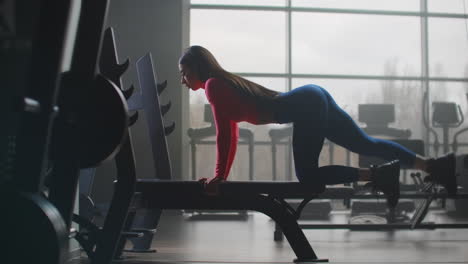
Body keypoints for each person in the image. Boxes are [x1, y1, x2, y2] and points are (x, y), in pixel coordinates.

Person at [178, 45, 457, 207]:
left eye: (185, 72)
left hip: (307, 104)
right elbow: (232, 132)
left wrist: (219, 177)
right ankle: (433, 166)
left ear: (197, 69)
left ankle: (378, 177)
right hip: (313, 96)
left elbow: (226, 135)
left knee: (308, 176)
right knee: (365, 144)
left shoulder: (214, 86)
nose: (183, 79)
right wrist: (221, 177)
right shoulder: (220, 84)